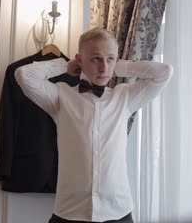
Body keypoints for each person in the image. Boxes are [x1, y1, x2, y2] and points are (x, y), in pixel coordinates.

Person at [15, 28, 173, 223]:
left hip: (118, 212)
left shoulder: (124, 97)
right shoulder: (59, 97)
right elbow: (24, 75)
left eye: (110, 59)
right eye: (96, 59)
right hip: (70, 213)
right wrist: (66, 66)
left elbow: (164, 72)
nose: (104, 68)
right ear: (80, 60)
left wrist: (121, 67)